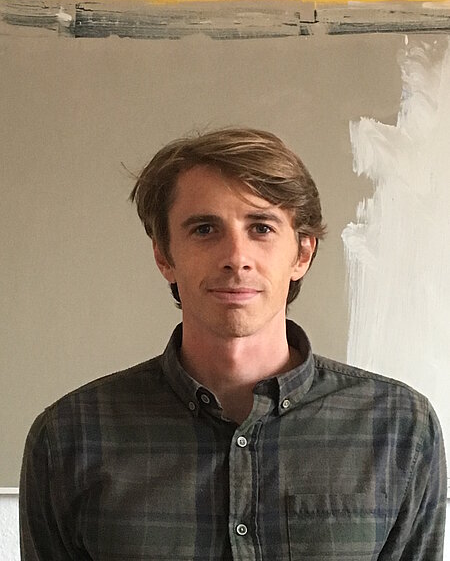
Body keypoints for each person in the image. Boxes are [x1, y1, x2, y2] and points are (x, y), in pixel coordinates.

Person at [20, 127, 446, 560]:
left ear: (302, 254)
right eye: (205, 229)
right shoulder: (69, 438)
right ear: (164, 256)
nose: (236, 257)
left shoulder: (399, 429)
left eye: (261, 228)